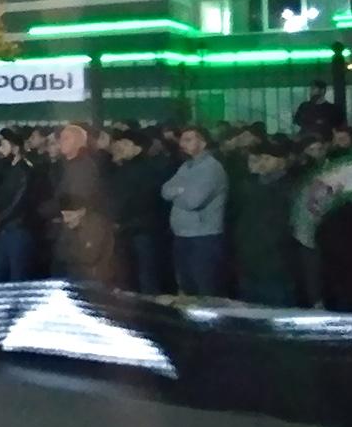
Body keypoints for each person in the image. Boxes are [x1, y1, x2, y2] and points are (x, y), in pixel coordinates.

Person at [161, 127, 229, 297]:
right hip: (182, 235)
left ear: (203, 143)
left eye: (188, 140)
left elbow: (193, 201)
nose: (182, 144)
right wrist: (182, 191)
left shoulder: (212, 168)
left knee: (205, 289)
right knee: (187, 286)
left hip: (203, 237)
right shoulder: (186, 166)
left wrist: (178, 192)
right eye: (182, 140)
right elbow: (165, 190)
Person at [42, 125, 114, 284]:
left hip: (80, 232)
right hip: (67, 231)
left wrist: (48, 209)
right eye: (61, 138)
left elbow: (76, 198)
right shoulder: (64, 166)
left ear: (79, 142)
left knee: (78, 280)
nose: (61, 142)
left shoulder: (83, 167)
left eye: (66, 138)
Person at [232, 141, 298, 306]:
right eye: (261, 158)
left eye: (268, 158)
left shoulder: (290, 188)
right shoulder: (250, 185)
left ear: (282, 162)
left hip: (276, 262)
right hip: (249, 260)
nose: (262, 163)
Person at [109, 130, 169, 294]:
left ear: (138, 148)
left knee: (145, 276)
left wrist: (119, 217)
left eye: (125, 144)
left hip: (141, 230)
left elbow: (141, 200)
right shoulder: (125, 168)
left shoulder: (145, 170)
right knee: (132, 275)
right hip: (129, 228)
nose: (119, 147)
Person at [0, 128, 35, 282]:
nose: (1, 149)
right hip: (5, 228)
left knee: (17, 276)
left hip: (18, 228)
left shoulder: (24, 170)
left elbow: (19, 201)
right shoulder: (8, 168)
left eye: (4, 144)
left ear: (15, 146)